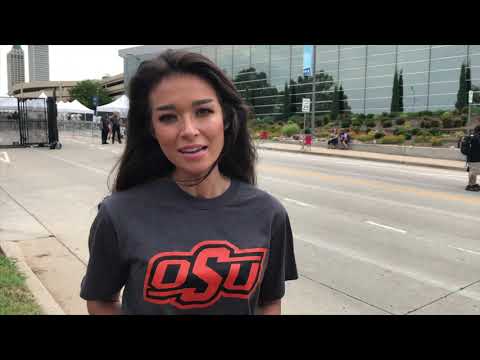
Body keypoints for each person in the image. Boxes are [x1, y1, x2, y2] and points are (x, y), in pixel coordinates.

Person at [80, 49, 298, 315]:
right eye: (168, 117)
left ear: (226, 118)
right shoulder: (118, 214)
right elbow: (100, 300)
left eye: (204, 111)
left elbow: (269, 302)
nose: (189, 131)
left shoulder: (268, 213)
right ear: (151, 128)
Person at [465, 125, 480, 191]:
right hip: (474, 158)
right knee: (473, 172)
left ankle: (473, 184)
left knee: (474, 171)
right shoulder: (475, 138)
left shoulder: (475, 137)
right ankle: (470, 185)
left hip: (474, 157)